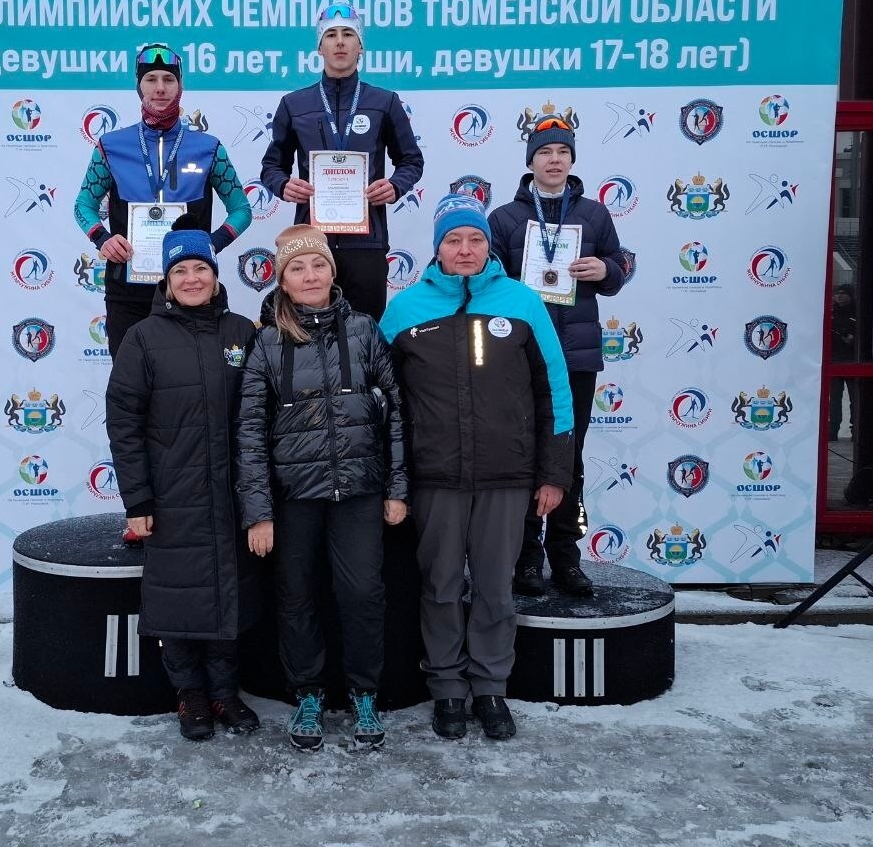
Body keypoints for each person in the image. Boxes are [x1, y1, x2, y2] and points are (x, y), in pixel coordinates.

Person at [380, 195, 573, 741]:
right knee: (440, 586)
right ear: (437, 248)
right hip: (434, 477)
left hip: (507, 475)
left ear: (489, 247)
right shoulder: (405, 309)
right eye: (453, 240)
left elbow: (555, 390)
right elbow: (383, 403)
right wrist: (393, 478)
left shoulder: (522, 301)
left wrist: (554, 473)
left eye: (475, 240)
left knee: (494, 588)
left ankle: (490, 688)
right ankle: (446, 688)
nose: (465, 250)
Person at [236, 223, 409, 751]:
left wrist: (396, 489)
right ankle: (307, 692)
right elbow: (249, 432)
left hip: (359, 491)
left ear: (332, 272)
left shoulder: (364, 330)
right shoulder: (267, 341)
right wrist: (258, 512)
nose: (309, 275)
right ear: (282, 280)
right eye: (297, 267)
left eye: (318, 265)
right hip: (294, 497)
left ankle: (364, 693)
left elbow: (395, 413)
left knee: (363, 594)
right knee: (297, 596)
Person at [104, 221, 260, 742]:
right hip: (171, 496)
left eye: (201, 268)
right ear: (166, 281)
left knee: (227, 593)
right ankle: (190, 694)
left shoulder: (241, 332)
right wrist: (137, 500)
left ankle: (225, 693)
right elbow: (124, 422)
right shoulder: (142, 338)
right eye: (180, 271)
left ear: (215, 275)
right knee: (176, 597)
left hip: (232, 494)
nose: (192, 278)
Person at [488, 113, 628, 599]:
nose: (554, 160)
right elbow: (488, 281)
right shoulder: (505, 218)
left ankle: (566, 557)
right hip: (521, 356)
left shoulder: (595, 214)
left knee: (570, 456)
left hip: (575, 355)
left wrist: (604, 269)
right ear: (531, 161)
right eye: (545, 152)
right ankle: (526, 556)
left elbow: (618, 267)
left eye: (563, 152)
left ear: (572, 160)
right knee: (524, 455)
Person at [74, 42, 253, 357]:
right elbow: (83, 205)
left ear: (180, 86)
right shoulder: (111, 146)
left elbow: (241, 209)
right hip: (127, 291)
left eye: (169, 79)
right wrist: (102, 238)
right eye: (151, 79)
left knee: (191, 380)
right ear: (139, 86)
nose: (160, 88)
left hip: (191, 289)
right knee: (130, 380)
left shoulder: (208, 148)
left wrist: (212, 244)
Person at [260, 0, 424, 320]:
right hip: (311, 244)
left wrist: (395, 186)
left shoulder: (385, 102)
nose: (339, 42)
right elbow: (271, 166)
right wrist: (282, 185)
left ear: (360, 47)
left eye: (348, 35)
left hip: (367, 243)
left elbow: (411, 161)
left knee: (365, 330)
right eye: (331, 35)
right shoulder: (294, 104)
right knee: (308, 330)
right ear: (319, 47)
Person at [829, 283, 856, 440]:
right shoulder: (831, 313)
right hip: (835, 361)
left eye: (843, 293)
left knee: (855, 398)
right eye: (837, 293)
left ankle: (855, 431)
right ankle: (832, 430)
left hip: (853, 360)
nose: (839, 296)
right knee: (834, 399)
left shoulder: (858, 312)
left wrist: (853, 338)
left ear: (850, 295)